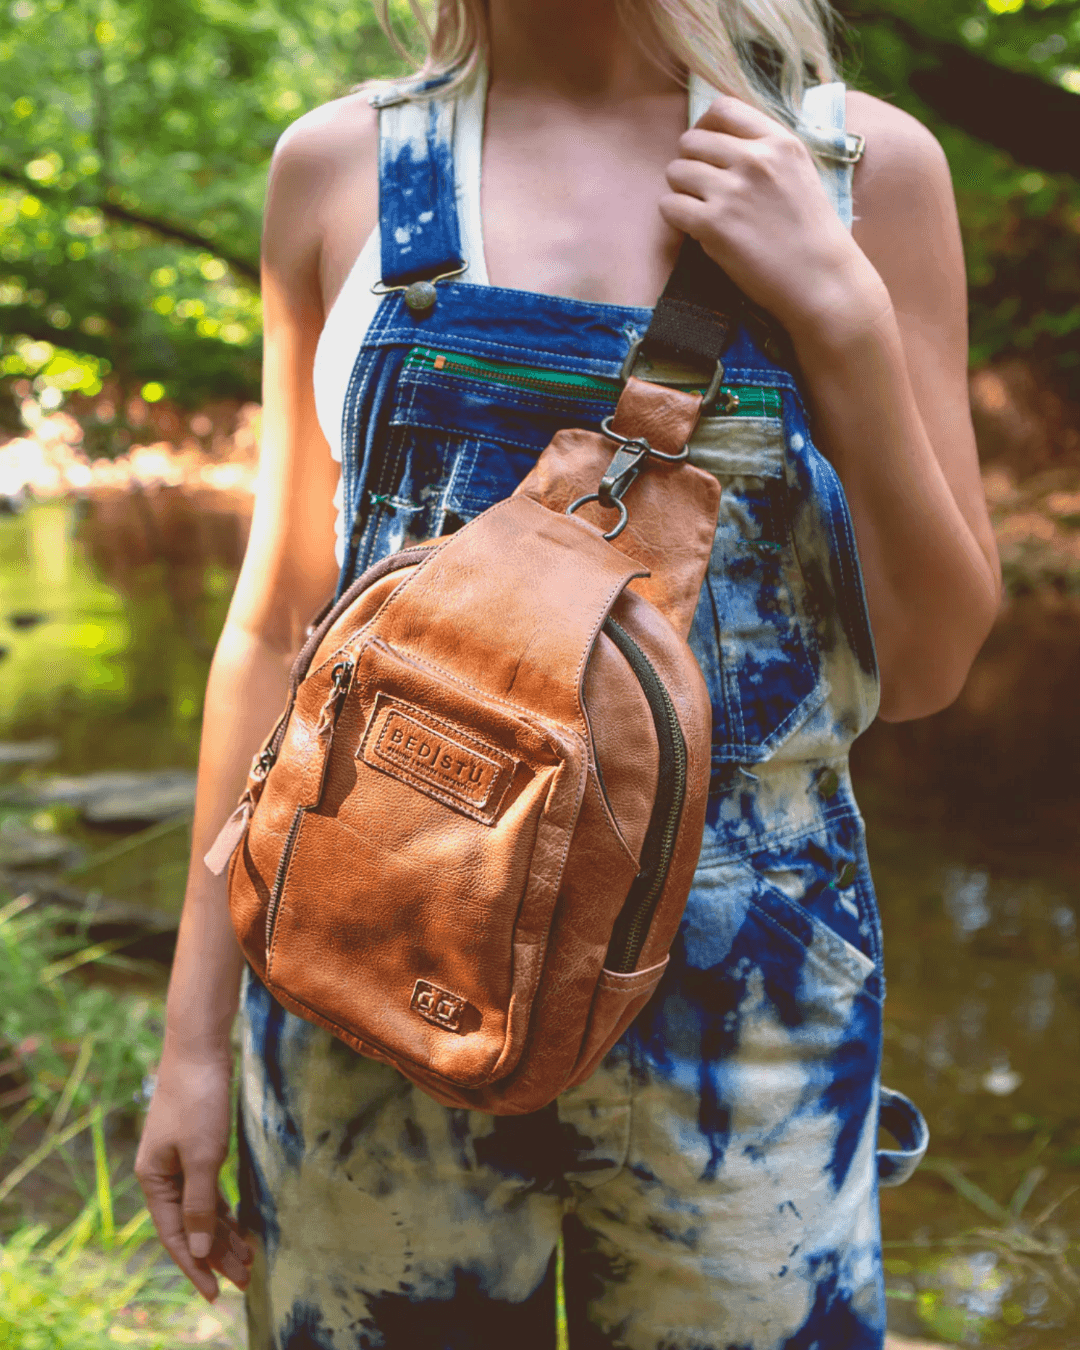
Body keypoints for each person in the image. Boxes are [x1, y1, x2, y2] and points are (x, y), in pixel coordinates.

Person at [135, 0, 1002, 1346]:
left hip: (750, 986)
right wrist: (193, 1040)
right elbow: (276, 631)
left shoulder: (861, 173)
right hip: (362, 944)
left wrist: (840, 313)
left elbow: (937, 661)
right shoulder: (340, 170)